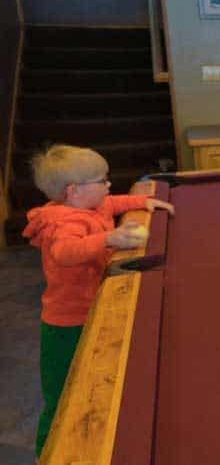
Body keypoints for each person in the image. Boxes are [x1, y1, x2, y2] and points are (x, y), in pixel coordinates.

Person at [23, 144, 175, 458]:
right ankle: (47, 452)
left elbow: (114, 202)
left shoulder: (94, 204)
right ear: (73, 191)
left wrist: (144, 202)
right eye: (102, 180)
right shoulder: (64, 222)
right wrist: (109, 238)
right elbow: (64, 252)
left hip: (90, 307)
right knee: (62, 392)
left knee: (93, 378)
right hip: (66, 324)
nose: (108, 184)